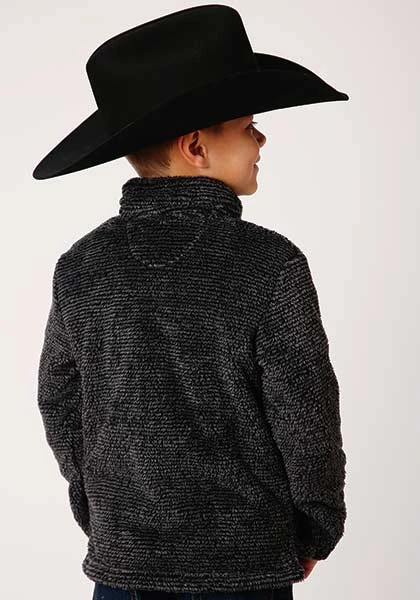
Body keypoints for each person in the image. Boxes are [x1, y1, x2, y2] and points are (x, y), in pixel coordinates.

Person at [34, 5, 349, 600]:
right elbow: (305, 413)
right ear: (197, 147)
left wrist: (102, 509)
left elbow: (58, 399)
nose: (261, 138)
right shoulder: (270, 263)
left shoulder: (81, 265)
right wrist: (315, 527)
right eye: (248, 126)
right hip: (246, 566)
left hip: (124, 565)